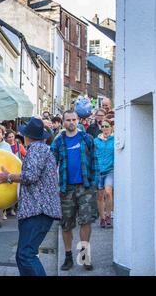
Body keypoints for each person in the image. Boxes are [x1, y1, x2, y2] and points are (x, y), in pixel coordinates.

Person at [0, 118, 62, 276]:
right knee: (24, 255)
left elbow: (30, 175)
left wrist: (9, 177)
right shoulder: (41, 148)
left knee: (25, 255)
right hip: (38, 210)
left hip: (38, 210)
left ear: (26, 136)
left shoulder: (36, 149)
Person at [51, 110, 99, 271]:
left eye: (74, 119)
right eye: (68, 120)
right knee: (66, 224)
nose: (71, 122)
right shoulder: (58, 142)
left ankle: (84, 256)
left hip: (85, 187)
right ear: (63, 122)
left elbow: (94, 161)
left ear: (78, 120)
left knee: (86, 221)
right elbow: (52, 165)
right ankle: (68, 256)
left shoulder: (87, 138)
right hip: (66, 188)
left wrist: (96, 185)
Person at [94, 118, 114, 228]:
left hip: (110, 170)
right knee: (100, 196)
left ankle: (108, 215)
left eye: (107, 126)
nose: (105, 128)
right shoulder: (96, 141)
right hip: (98, 171)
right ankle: (102, 218)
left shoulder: (115, 139)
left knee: (108, 192)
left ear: (111, 127)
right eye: (103, 126)